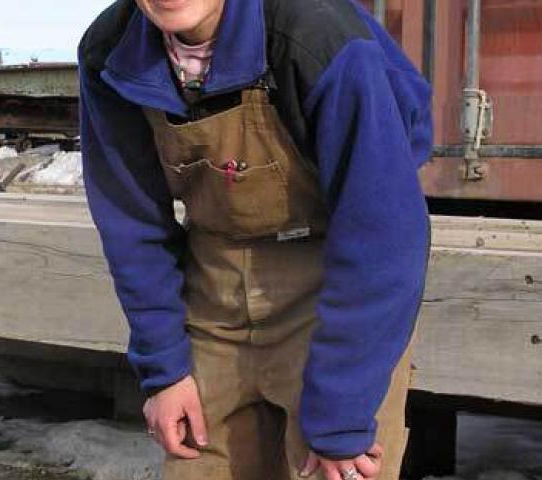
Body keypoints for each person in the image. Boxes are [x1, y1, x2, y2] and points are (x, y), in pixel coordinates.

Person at [78, 0, 432, 479]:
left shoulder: (321, 38)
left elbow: (384, 236)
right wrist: (166, 371)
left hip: (333, 289)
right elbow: (131, 223)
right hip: (211, 289)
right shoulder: (113, 52)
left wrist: (343, 413)